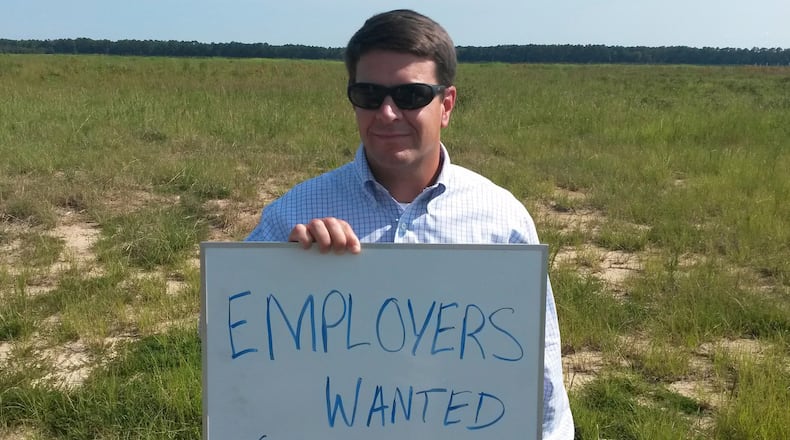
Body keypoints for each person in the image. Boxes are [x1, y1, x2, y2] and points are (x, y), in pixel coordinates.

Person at [246, 9, 574, 439]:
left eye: (411, 95)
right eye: (368, 94)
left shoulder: (501, 220)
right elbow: (227, 340)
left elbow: (539, 361)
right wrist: (285, 275)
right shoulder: (294, 215)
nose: (386, 113)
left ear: (447, 105)